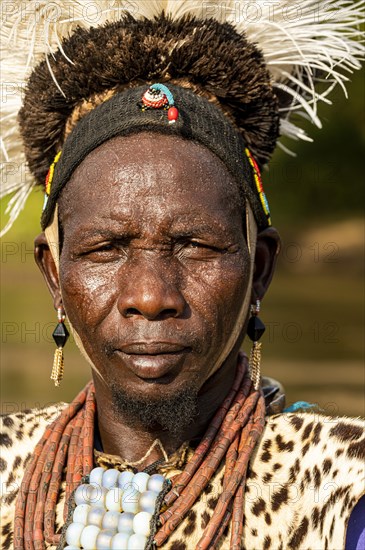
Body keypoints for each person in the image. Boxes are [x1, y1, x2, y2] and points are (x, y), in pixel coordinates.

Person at [1, 2, 364, 549]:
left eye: (196, 246)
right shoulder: (9, 468)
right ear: (54, 276)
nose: (150, 296)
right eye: (105, 248)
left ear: (259, 269)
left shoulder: (338, 494)